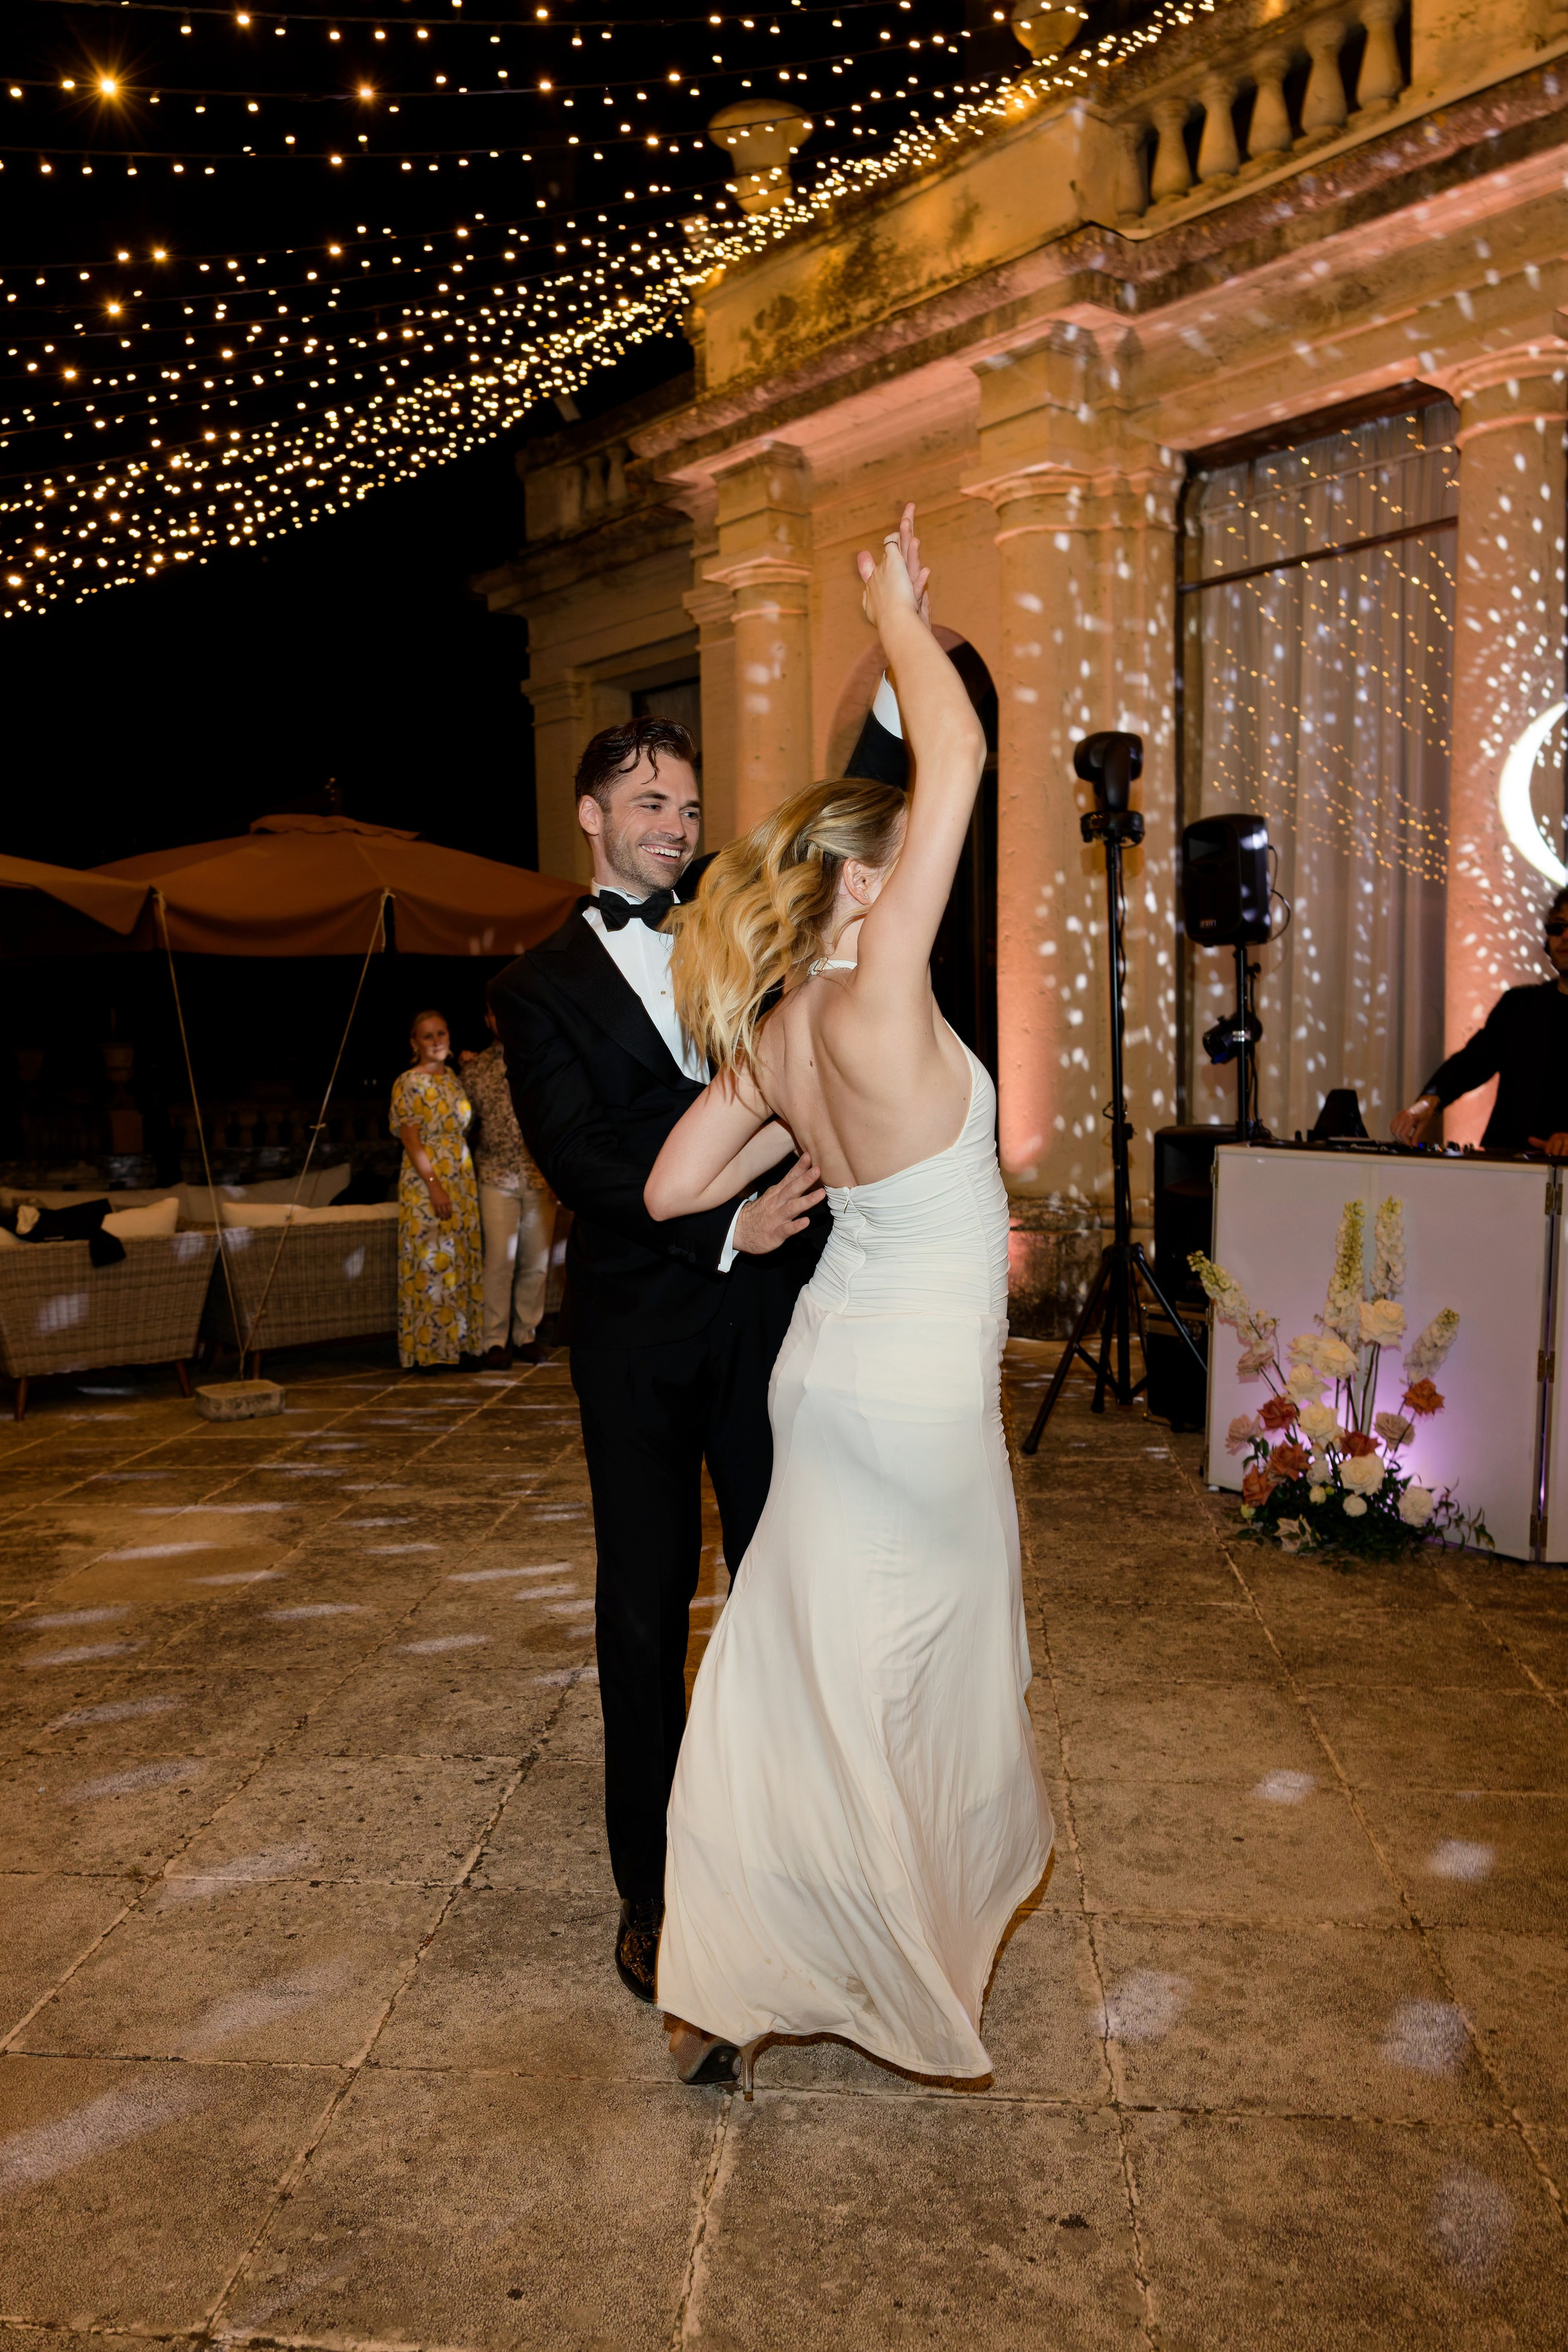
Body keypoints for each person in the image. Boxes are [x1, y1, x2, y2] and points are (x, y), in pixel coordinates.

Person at [645, 504, 1054, 2094]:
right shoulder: (880, 1003)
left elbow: (675, 1190)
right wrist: (894, 616)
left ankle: (720, 1980)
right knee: (921, 1686)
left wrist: (761, 1202)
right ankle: (881, 1949)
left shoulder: (780, 1033)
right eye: (885, 861)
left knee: (783, 1668)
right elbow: (950, 765)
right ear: (858, 889)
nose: (910, 865)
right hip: (914, 1403)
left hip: (821, 1377)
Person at [488, 717, 828, 2007]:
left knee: (782, 1582)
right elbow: (577, 1164)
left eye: (686, 805)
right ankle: (655, 1889)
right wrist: (716, 1232)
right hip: (637, 1327)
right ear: (590, 814)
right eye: (647, 801)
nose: (673, 824)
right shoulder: (533, 990)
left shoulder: (734, 932)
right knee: (643, 1611)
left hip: (773, 1312)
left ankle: (789, 1848)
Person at [1392, 884, 1568, 1155]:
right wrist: (1429, 1102)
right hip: (1504, 1168)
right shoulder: (1520, 1005)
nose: (1565, 936)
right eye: (1558, 928)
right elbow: (1471, 1063)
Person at [461, 1009, 555, 1368]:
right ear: (486, 1020)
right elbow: (460, 1121)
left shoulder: (539, 1057)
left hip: (537, 1176)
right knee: (499, 1260)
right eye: (495, 1013)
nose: (502, 1019)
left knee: (536, 1263)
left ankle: (525, 1335)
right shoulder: (476, 1070)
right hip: (495, 1177)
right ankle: (494, 1340)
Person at [391, 1009, 483, 1372]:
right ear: (415, 1044)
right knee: (430, 1262)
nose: (436, 1041)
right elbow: (410, 1139)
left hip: (461, 1178)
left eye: (441, 1033)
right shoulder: (408, 1082)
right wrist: (435, 1187)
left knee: (459, 1259)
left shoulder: (454, 1079)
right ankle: (429, 1352)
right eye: (427, 1036)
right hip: (427, 1180)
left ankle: (460, 1346)